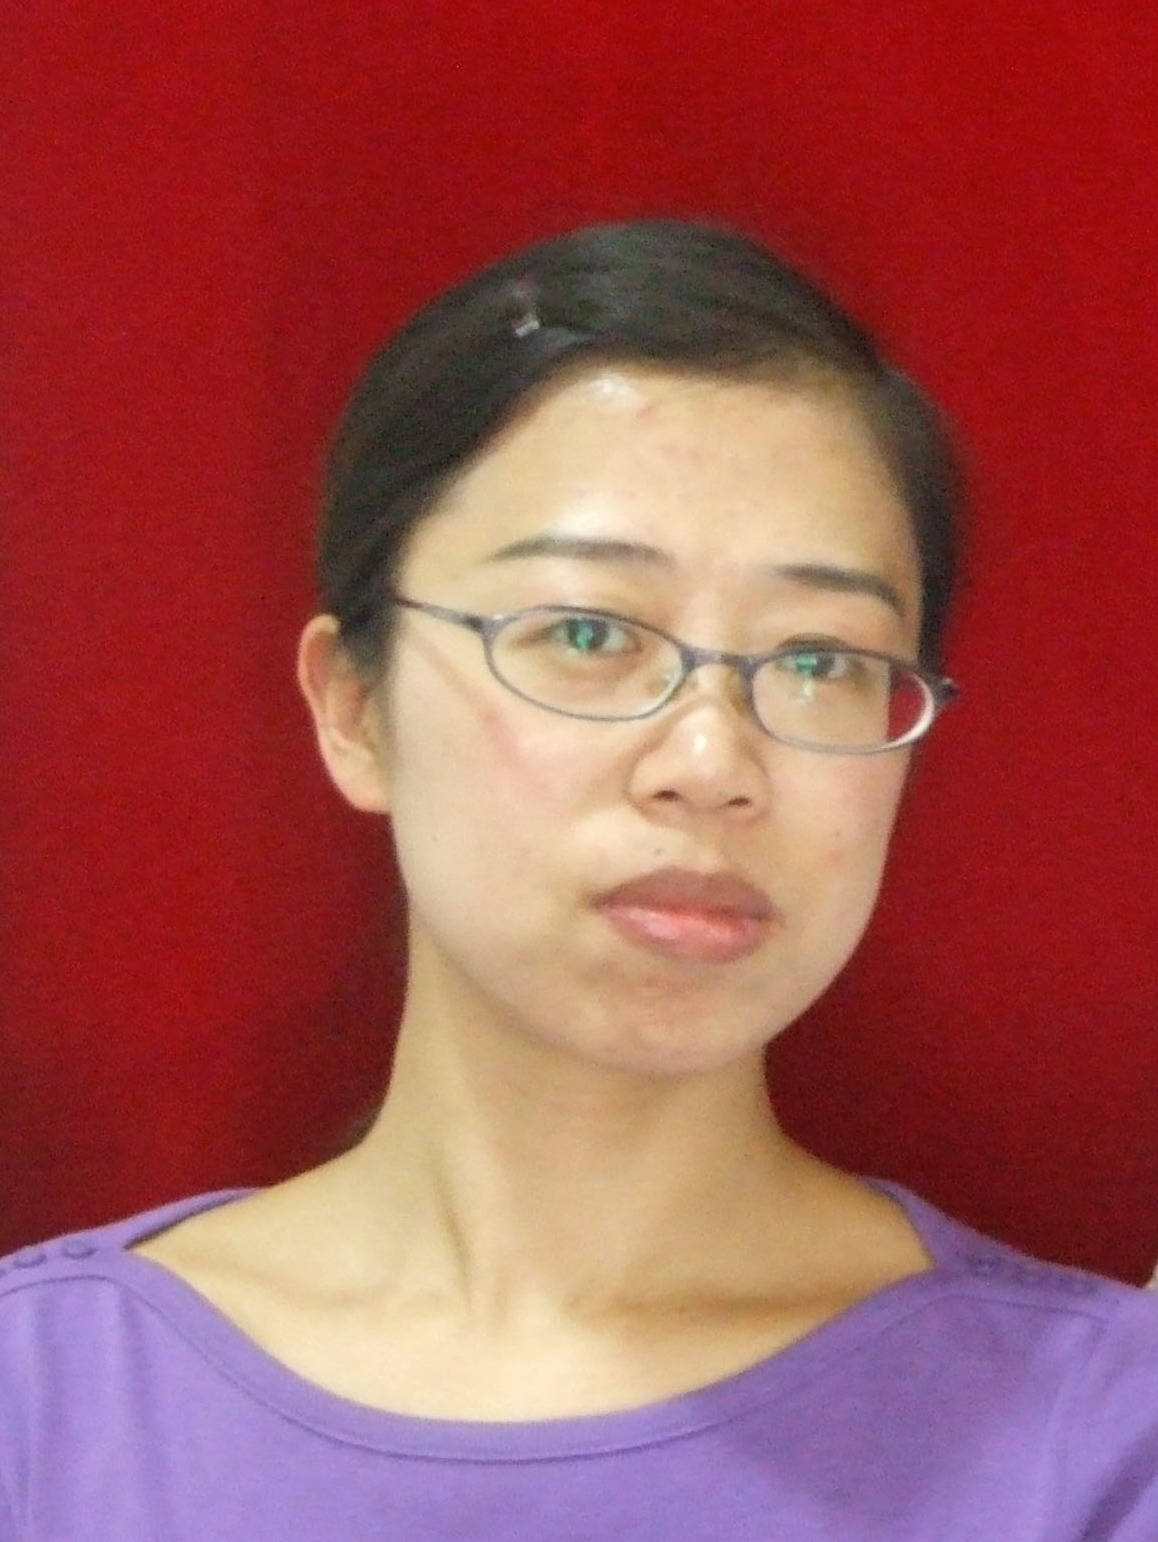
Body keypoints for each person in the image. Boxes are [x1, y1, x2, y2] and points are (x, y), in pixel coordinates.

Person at [2, 218, 1156, 1540]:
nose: (711, 764)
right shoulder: (46, 1406)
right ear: (353, 708)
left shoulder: (1093, 1435)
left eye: (819, 661)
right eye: (590, 633)